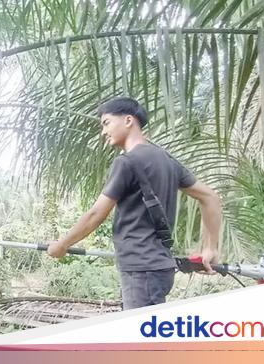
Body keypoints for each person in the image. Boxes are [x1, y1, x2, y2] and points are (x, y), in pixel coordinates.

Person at [47, 97, 221, 310]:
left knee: (142, 341)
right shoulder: (167, 160)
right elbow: (210, 197)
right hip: (157, 269)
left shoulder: (126, 162)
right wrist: (209, 248)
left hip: (141, 271)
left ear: (128, 120)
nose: (103, 131)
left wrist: (62, 245)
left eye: (106, 123)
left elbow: (96, 214)